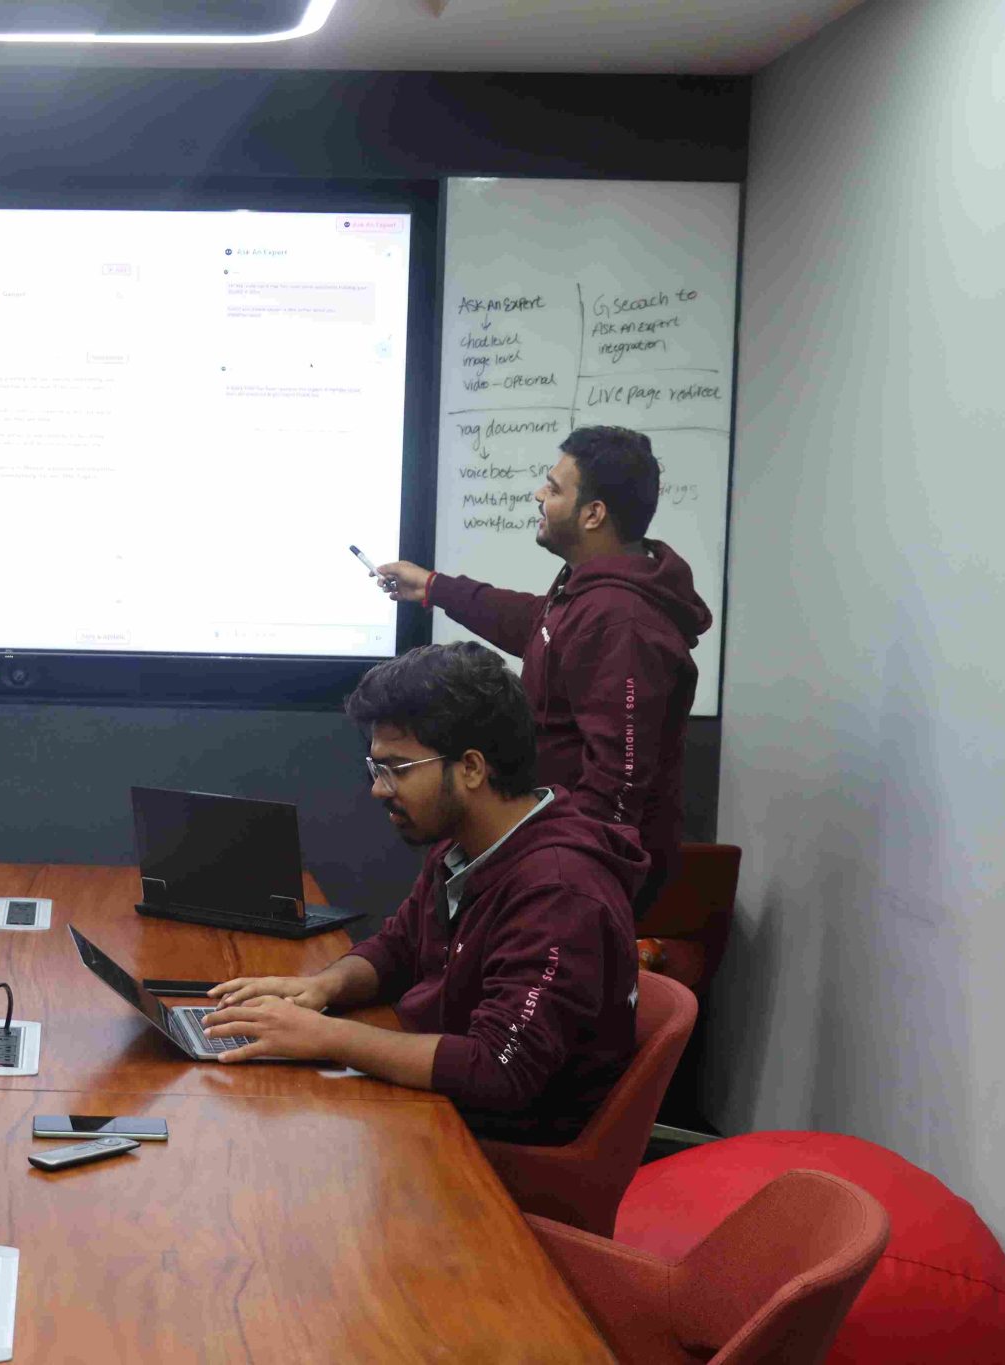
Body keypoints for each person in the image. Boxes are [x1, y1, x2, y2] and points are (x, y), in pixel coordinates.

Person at [204, 642, 643, 1146]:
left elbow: (500, 1070)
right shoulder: (462, 847)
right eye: (376, 769)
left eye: (398, 769)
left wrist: (326, 1036)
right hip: (440, 1108)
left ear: (472, 768)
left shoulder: (559, 892)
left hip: (497, 1151)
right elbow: (399, 947)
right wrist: (323, 988)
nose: (379, 789)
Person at [376, 426, 711, 915]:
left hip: (576, 878)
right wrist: (433, 587)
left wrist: (567, 879)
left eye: (553, 488)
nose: (539, 494)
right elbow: (536, 624)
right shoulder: (592, 594)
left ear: (593, 514)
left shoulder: (624, 621)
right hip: (552, 853)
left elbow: (617, 782)